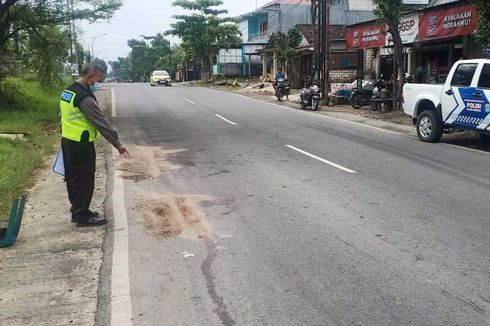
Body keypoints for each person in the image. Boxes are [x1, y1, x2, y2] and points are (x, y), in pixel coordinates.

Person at [60, 64, 129, 227]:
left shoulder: (68, 92)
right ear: (89, 76)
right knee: (84, 179)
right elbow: (100, 122)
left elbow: (63, 116)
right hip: (81, 144)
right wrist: (117, 144)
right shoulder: (85, 98)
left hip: (68, 141)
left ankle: (77, 210)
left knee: (73, 178)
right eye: (98, 79)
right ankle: (82, 216)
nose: (99, 83)